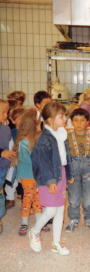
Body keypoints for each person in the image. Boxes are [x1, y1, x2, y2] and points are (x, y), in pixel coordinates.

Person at [30, 102, 74, 255]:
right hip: (48, 177)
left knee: (60, 209)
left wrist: (69, 174)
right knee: (51, 210)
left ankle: (56, 243)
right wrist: (50, 182)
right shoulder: (44, 139)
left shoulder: (61, 133)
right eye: (61, 116)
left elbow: (65, 156)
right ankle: (35, 232)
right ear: (50, 119)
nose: (65, 118)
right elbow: (42, 162)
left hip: (59, 173)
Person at [12, 110, 49, 236]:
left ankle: (39, 223)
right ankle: (24, 223)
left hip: (36, 176)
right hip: (28, 177)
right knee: (28, 200)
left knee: (38, 200)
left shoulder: (34, 140)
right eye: (40, 123)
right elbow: (28, 160)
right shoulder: (24, 143)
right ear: (34, 125)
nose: (41, 125)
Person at [65, 108, 90, 232]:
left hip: (88, 167)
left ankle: (89, 219)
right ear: (71, 122)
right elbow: (64, 155)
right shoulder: (67, 136)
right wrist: (66, 172)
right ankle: (73, 220)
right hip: (73, 168)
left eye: (82, 120)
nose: (79, 123)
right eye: (75, 120)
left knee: (89, 197)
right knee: (73, 197)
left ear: (87, 122)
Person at [0, 99, 16, 234]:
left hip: (3, 167)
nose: (6, 115)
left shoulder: (6, 129)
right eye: (3, 112)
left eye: (7, 112)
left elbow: (8, 145)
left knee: (0, 193)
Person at [5, 108, 25, 209]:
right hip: (13, 160)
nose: (22, 121)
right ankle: (10, 199)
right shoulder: (10, 132)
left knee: (25, 182)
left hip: (25, 161)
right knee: (11, 181)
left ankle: (26, 201)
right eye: (19, 119)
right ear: (13, 121)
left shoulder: (28, 132)